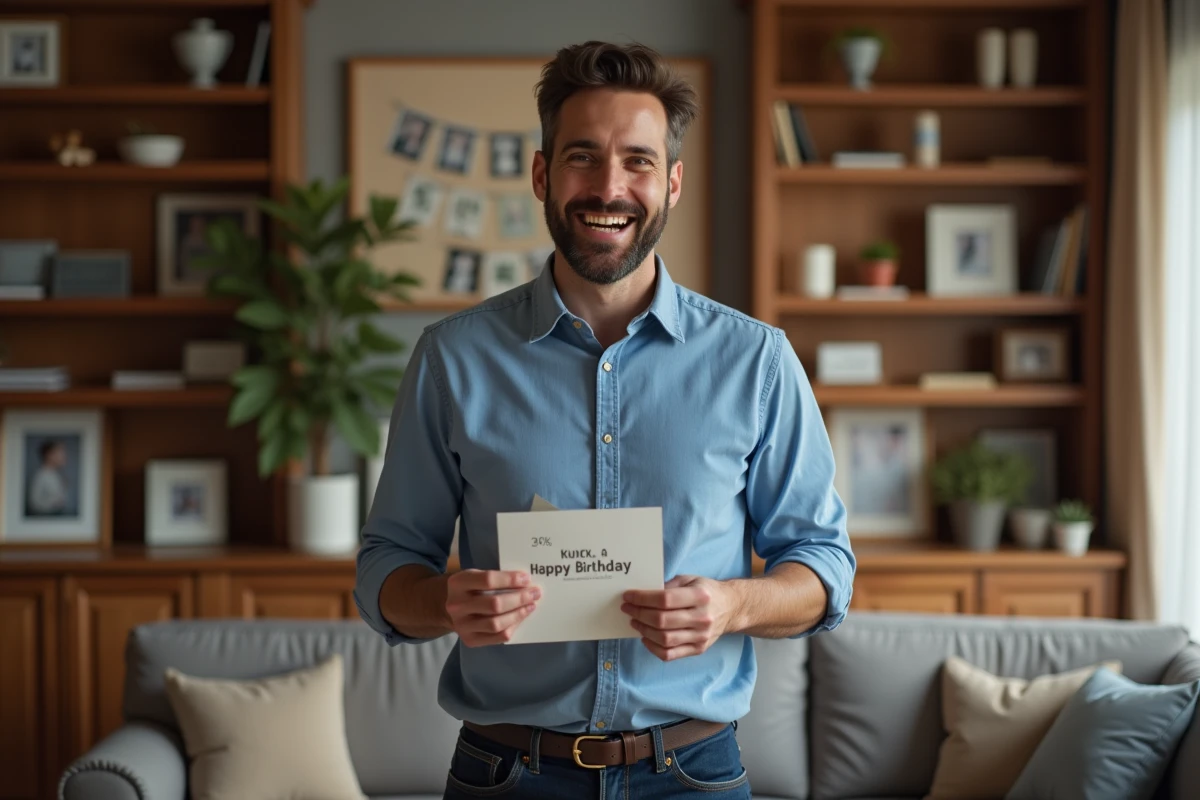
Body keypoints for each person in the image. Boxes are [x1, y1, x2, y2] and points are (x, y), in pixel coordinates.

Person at [355, 41, 855, 799]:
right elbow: (386, 566)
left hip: (694, 773)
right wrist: (443, 601)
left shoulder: (757, 361)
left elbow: (824, 565)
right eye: (583, 157)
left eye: (639, 162)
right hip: (504, 773)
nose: (609, 187)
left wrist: (732, 604)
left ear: (673, 183)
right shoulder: (451, 359)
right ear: (542, 175)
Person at [27, 439, 69, 516]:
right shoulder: (40, 476)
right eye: (60, 453)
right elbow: (34, 504)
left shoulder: (57, 475)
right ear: (49, 455)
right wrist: (54, 504)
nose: (63, 456)